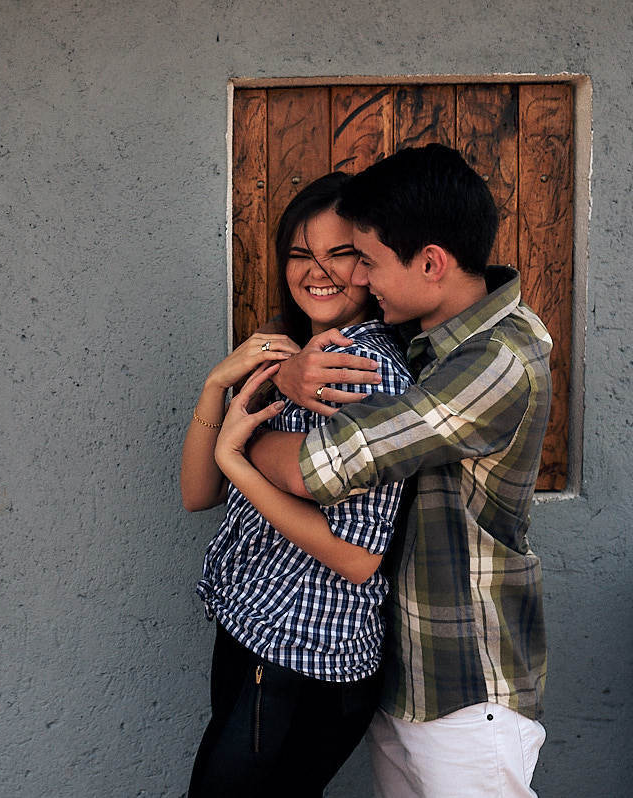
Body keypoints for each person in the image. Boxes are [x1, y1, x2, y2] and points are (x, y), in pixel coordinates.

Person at [248, 144, 552, 797]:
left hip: (468, 692)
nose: (358, 279)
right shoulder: (429, 338)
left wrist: (242, 435)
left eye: (369, 261)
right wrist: (291, 373)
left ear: (432, 263)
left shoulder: (498, 360)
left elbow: (319, 469)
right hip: (407, 675)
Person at [181, 172, 413, 797]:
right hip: (255, 635)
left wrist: (237, 459)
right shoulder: (290, 360)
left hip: (302, 653)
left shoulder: (362, 373)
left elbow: (358, 559)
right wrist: (216, 385)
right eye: (300, 254)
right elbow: (198, 495)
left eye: (342, 254)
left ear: (372, 263)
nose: (319, 271)